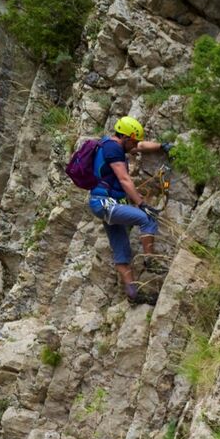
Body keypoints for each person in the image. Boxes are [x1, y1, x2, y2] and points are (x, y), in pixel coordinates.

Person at [88, 116, 171, 304]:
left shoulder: (110, 145)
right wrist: (141, 204)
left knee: (121, 251)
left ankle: (133, 293)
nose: (135, 145)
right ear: (125, 137)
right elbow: (124, 179)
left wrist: (162, 146)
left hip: (101, 204)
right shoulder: (113, 149)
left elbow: (139, 147)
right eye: (133, 140)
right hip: (107, 204)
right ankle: (151, 260)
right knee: (147, 218)